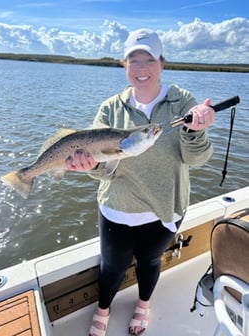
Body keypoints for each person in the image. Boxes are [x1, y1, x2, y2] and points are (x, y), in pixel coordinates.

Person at [66, 28, 215, 336]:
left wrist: (196, 129)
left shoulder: (182, 102)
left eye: (149, 59)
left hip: (164, 210)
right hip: (117, 210)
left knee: (149, 262)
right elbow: (101, 169)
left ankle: (143, 304)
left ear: (162, 63)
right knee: (112, 268)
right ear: (125, 66)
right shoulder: (110, 108)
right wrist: (89, 164)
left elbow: (197, 159)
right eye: (134, 60)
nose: (142, 67)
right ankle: (103, 308)